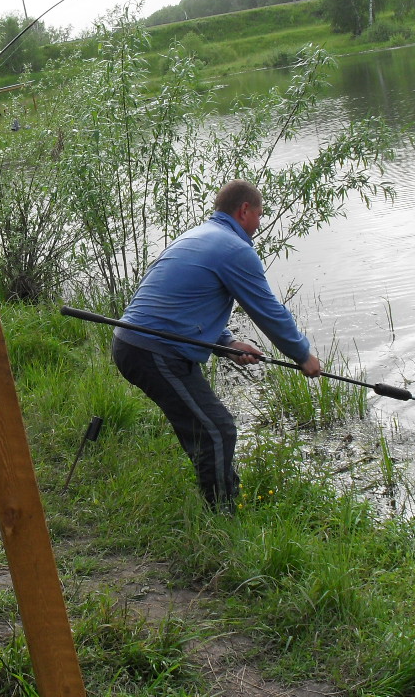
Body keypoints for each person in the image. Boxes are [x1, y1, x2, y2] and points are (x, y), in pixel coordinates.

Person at [112, 179, 321, 511]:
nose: (260, 223)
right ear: (244, 211)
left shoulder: (198, 236)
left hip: (140, 344)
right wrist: (302, 354)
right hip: (153, 349)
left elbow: (184, 305)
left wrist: (226, 342)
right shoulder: (235, 249)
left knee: (205, 429)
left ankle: (219, 502)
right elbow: (268, 312)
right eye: (260, 215)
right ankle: (223, 517)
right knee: (216, 431)